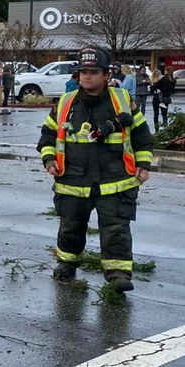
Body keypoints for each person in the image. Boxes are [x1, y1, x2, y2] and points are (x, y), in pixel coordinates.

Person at [37, 46, 153, 294]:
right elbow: (47, 135)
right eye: (82, 72)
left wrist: (143, 164)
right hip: (73, 179)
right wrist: (49, 161)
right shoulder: (66, 102)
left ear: (105, 75)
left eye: (93, 72)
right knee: (71, 225)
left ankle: (118, 274)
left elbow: (142, 135)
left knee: (116, 229)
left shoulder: (122, 101)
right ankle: (67, 264)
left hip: (116, 179)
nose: (86, 77)